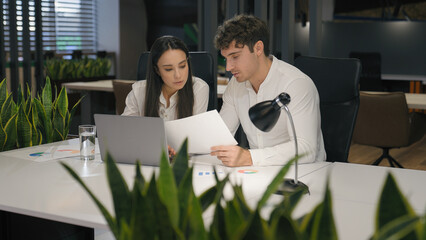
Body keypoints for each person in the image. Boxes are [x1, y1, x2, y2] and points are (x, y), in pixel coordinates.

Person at [211, 14, 326, 167]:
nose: (228, 67)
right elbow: (220, 136)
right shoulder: (235, 85)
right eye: (226, 59)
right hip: (260, 172)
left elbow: (306, 149)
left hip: (304, 174)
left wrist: (250, 157)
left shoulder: (296, 84)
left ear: (258, 48)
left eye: (235, 57)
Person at [122, 35, 209, 120]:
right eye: (168, 69)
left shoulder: (198, 88)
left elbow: (194, 130)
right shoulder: (139, 91)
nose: (178, 75)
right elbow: (126, 128)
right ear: (157, 70)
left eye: (182, 66)